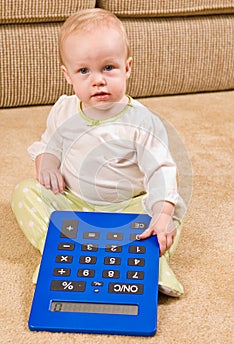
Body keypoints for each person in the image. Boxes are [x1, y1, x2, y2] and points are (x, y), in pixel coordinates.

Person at [11, 8, 186, 297]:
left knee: (171, 208)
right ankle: (54, 252)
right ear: (68, 76)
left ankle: (154, 263)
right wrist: (47, 165)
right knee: (25, 192)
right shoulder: (64, 110)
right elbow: (48, 145)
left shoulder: (142, 122)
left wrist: (162, 212)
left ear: (127, 67)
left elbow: (161, 171)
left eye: (108, 68)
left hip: (126, 209)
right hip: (75, 203)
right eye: (84, 71)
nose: (98, 80)